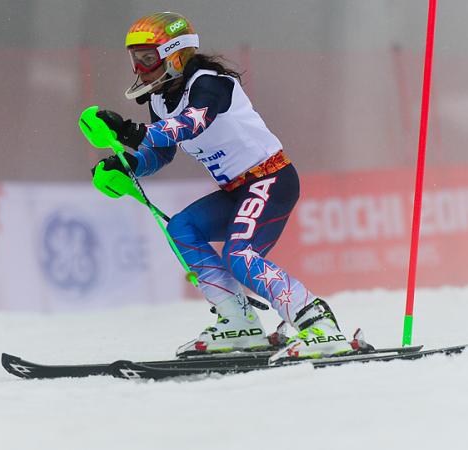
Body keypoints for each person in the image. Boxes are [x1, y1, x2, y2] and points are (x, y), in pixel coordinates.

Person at [93, 12, 355, 363]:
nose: (140, 68)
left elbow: (194, 123)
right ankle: (237, 320)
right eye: (135, 59)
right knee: (182, 228)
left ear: (175, 54)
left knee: (240, 255)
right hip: (237, 190)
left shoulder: (209, 82)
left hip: (270, 178)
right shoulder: (158, 100)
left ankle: (318, 323)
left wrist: (132, 131)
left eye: (148, 57)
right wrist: (127, 164)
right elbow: (160, 152)